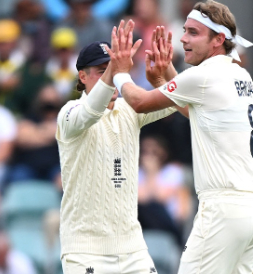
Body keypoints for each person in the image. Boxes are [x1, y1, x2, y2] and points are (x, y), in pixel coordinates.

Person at [106, 1, 253, 272]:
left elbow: (139, 102)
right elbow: (195, 111)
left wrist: (121, 72)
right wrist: (165, 75)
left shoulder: (205, 76)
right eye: (184, 30)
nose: (183, 38)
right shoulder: (240, 74)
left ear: (218, 40)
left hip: (223, 210)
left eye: (194, 33)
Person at [56, 21, 180, 273]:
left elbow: (176, 102)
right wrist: (116, 69)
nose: (112, 80)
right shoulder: (69, 113)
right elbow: (91, 111)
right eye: (103, 71)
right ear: (82, 76)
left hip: (133, 248)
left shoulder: (130, 109)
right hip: (84, 251)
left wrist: (164, 73)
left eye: (113, 71)